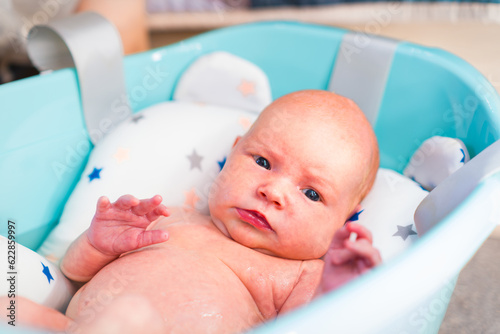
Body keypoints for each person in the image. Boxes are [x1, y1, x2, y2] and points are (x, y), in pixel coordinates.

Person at [23, 90, 381, 333]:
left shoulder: (301, 276)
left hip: (127, 324)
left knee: (130, 315)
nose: (272, 191)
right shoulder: (168, 217)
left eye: (311, 193)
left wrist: (335, 294)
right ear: (231, 155)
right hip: (76, 327)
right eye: (262, 161)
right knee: (15, 307)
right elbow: (72, 275)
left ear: (345, 220)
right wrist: (97, 246)